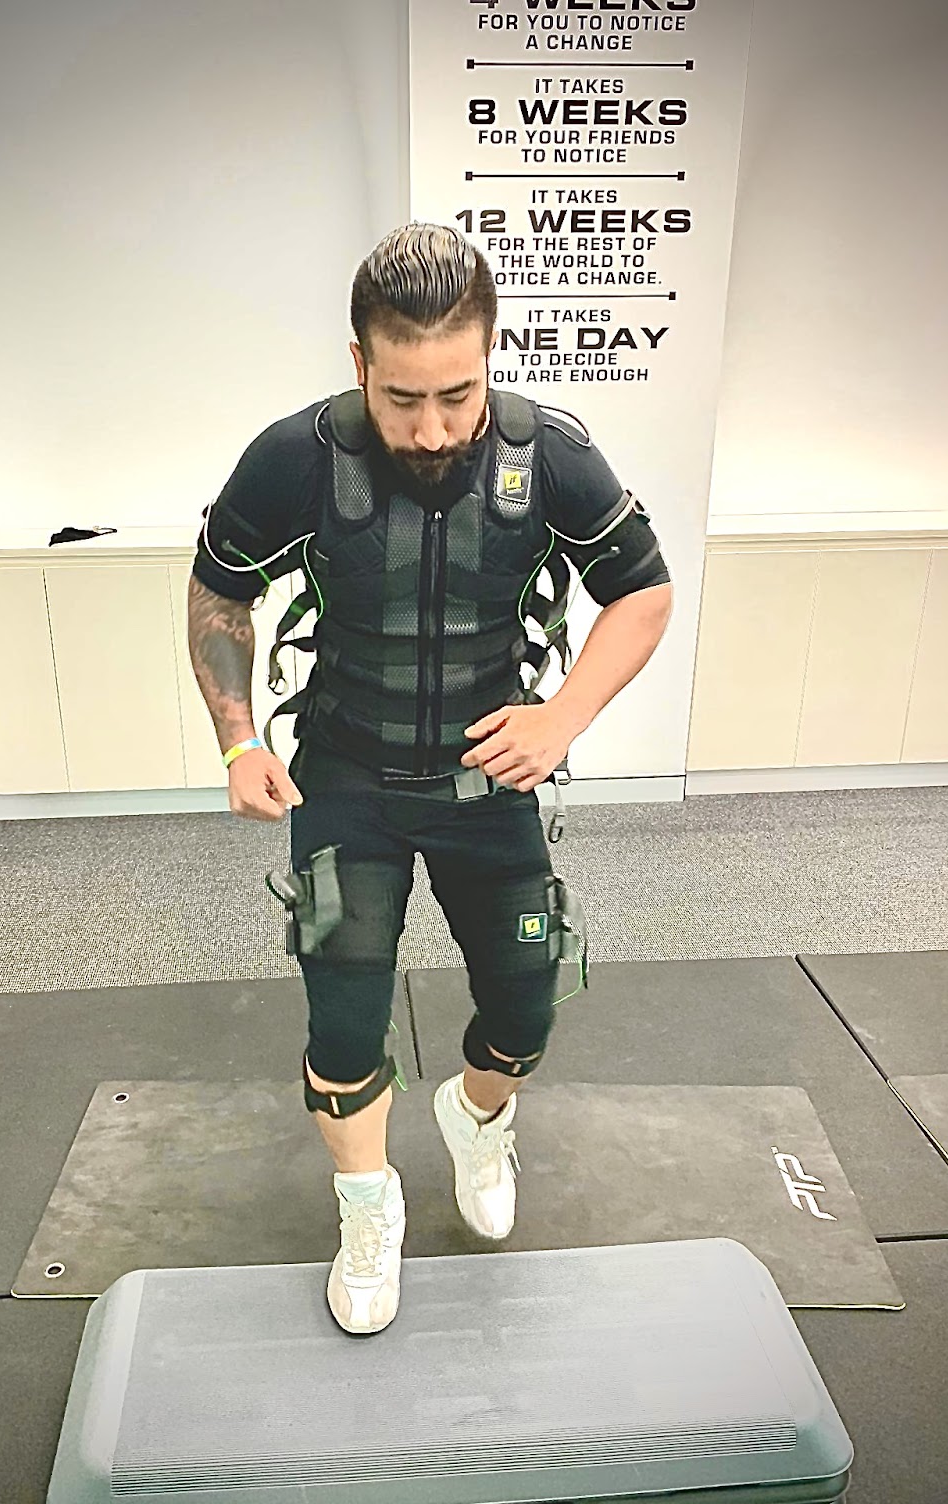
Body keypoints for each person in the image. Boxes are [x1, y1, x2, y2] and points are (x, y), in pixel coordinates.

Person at [188, 222, 672, 1335]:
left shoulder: (548, 453)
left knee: (527, 1003)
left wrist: (562, 716)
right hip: (345, 779)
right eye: (404, 398)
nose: (432, 426)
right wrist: (237, 736)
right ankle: (368, 1204)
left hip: (486, 779)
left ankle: (475, 1114)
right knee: (346, 1018)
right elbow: (218, 595)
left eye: (458, 394)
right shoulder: (294, 456)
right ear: (361, 364)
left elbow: (643, 591)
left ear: (491, 356)